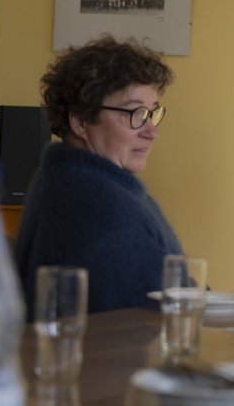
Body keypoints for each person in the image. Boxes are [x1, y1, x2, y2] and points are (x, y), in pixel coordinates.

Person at [15, 35, 184, 318]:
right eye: (135, 113)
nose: (151, 130)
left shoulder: (74, 179)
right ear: (80, 121)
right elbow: (149, 318)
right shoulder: (96, 205)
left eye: (152, 113)